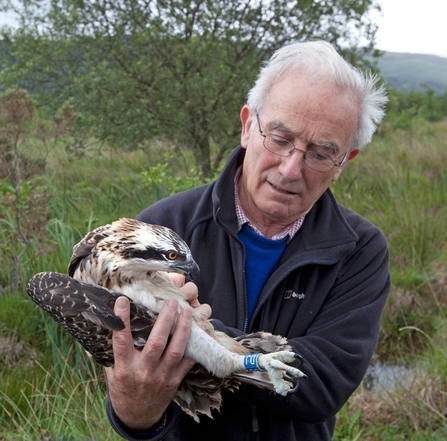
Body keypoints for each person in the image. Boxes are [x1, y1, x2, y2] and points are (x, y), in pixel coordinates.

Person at [105, 40, 390, 440]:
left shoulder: (360, 250)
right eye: (279, 137)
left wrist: (189, 328)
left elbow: (321, 384)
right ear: (246, 126)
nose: (291, 169)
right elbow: (129, 382)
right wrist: (134, 411)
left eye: (320, 154)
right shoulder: (160, 228)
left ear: (345, 162)